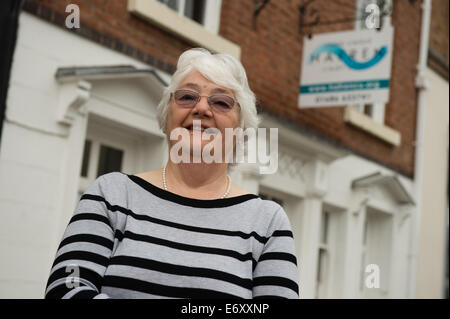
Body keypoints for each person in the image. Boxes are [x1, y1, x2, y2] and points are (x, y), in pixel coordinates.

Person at [44, 48, 299, 299]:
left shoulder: (267, 222)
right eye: (187, 97)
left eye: (221, 102)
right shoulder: (112, 195)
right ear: (167, 117)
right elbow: (66, 288)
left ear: (240, 131)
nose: (201, 108)